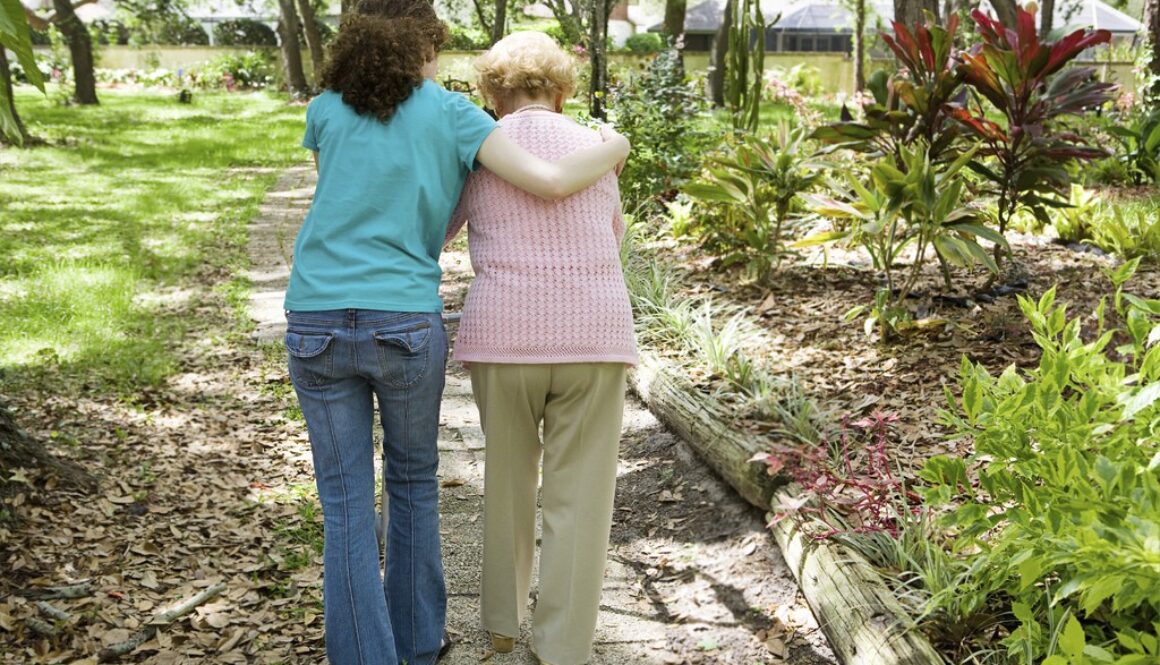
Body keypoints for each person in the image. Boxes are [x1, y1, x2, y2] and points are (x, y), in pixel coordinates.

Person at [283, 3, 630, 663]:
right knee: (420, 479)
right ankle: (456, 644)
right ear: (426, 48)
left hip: (330, 318)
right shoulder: (457, 119)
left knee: (351, 499)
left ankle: (397, 647)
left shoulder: (328, 109)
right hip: (435, 323)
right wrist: (615, 144)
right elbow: (576, 205)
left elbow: (360, 206)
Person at [444, 31, 638, 665]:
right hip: (594, 335)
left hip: (503, 335)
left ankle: (501, 624)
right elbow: (610, 235)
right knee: (578, 498)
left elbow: (440, 229)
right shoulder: (599, 148)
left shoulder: (479, 151)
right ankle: (562, 648)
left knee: (505, 479)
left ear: (492, 94)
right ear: (561, 89)